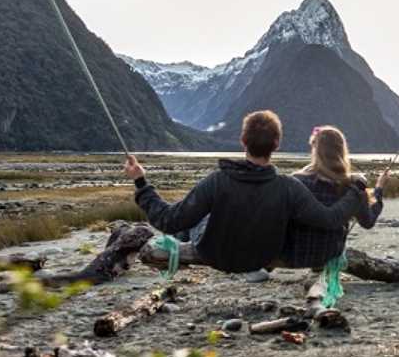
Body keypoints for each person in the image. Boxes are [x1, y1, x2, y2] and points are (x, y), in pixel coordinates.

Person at [124, 110, 366, 274]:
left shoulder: (217, 181)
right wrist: (356, 189)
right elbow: (329, 219)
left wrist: (141, 183)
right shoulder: (289, 187)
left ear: (243, 141)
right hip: (261, 258)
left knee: (189, 220)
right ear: (276, 144)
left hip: (215, 255)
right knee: (198, 216)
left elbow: (167, 219)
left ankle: (177, 243)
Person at [278, 126, 389, 314]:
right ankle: (318, 288)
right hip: (329, 252)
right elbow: (368, 221)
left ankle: (316, 285)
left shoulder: (296, 181)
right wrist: (378, 190)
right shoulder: (352, 186)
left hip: (296, 253)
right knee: (330, 253)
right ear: (341, 150)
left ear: (315, 150)